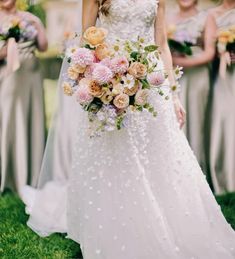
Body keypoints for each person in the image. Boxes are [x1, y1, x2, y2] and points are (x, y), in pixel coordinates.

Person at [22, 0, 235, 258]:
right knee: (116, 156)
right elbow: (86, 43)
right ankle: (118, 225)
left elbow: (161, 44)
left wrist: (174, 93)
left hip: (152, 83)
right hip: (112, 78)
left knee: (160, 156)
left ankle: (168, 220)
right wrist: (98, 82)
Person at [0, 0, 48, 193]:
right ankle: (9, 174)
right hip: (8, 76)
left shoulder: (30, 19)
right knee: (10, 119)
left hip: (32, 75)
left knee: (32, 118)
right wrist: (7, 48)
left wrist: (37, 25)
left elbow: (43, 47)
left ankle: (32, 173)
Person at [167, 0, 217, 174]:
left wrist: (180, 61)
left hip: (198, 77)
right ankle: (177, 170)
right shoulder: (168, 17)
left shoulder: (206, 17)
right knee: (175, 120)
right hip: (174, 77)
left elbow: (210, 53)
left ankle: (198, 170)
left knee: (196, 119)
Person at [209, 1, 235, 194]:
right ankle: (224, 176)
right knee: (225, 122)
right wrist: (222, 52)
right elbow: (209, 49)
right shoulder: (213, 14)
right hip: (224, 76)